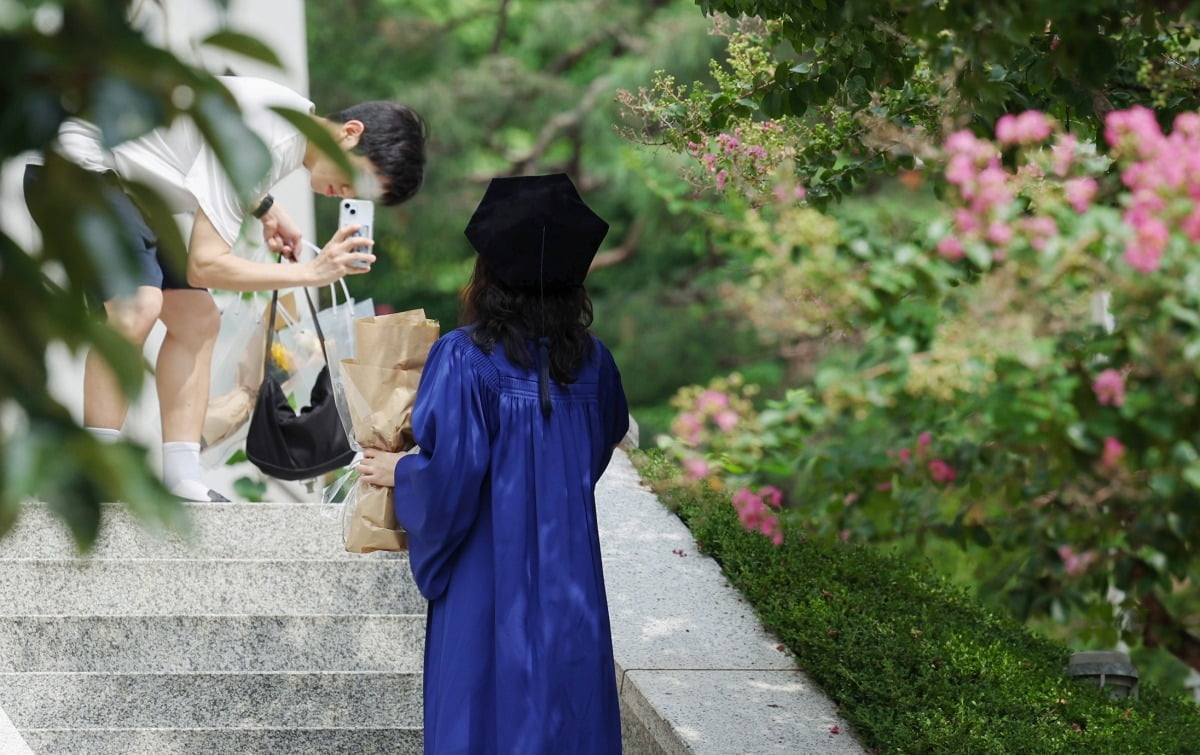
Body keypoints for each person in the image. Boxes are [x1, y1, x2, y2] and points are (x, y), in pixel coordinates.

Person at [23, 74, 427, 501]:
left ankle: (182, 478)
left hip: (126, 192)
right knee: (137, 306)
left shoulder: (290, 124)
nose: (342, 194)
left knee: (198, 320)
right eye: (355, 182)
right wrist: (312, 272)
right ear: (350, 134)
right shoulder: (271, 138)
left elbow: (208, 152)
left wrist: (268, 208)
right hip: (73, 170)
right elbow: (204, 265)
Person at [357, 173, 629, 754]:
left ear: (488, 268)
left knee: (480, 713)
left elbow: (451, 474)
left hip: (488, 573)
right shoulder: (595, 362)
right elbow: (594, 454)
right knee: (568, 711)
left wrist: (400, 472)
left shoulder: (464, 357)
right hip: (569, 576)